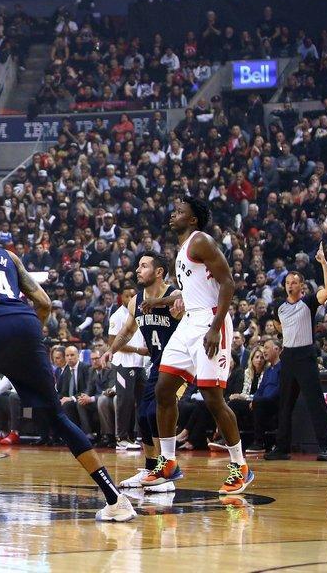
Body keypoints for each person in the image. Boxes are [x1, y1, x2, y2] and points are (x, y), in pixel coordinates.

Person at [0, 206, 134, 528]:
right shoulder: (9, 256)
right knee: (56, 416)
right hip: (26, 324)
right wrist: (26, 341)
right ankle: (115, 498)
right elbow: (43, 303)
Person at [143, 196, 254, 495]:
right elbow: (189, 290)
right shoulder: (182, 250)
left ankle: (240, 466)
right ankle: (167, 462)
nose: (173, 214)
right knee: (163, 389)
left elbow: (228, 283)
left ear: (192, 220)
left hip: (210, 321)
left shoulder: (201, 240)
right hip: (189, 322)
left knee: (213, 398)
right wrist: (159, 301)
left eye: (179, 212)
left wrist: (216, 328)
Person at [103, 252, 181, 493]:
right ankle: (151, 468)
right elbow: (126, 332)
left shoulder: (173, 295)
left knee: (155, 413)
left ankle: (165, 470)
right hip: (157, 364)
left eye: (144, 266)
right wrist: (111, 351)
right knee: (144, 416)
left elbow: (184, 297)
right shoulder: (135, 301)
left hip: (178, 363)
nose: (137, 270)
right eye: (138, 266)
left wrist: (160, 304)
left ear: (159, 272)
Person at [267, 246, 327, 461]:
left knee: (315, 402)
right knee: (285, 404)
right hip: (288, 356)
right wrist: (285, 335)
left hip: (306, 356)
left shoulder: (309, 302)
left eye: (294, 282)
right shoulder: (278, 305)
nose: (290, 285)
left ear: (301, 286)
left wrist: (323, 263)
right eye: (288, 282)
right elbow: (278, 326)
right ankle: (281, 448)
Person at [107, 285, 144, 450]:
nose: (131, 299)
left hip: (139, 363)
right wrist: (139, 350)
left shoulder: (139, 314)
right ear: (121, 297)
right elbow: (113, 344)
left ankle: (140, 436)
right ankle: (121, 438)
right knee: (125, 400)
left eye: (133, 296)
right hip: (123, 364)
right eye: (128, 296)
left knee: (143, 400)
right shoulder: (117, 316)